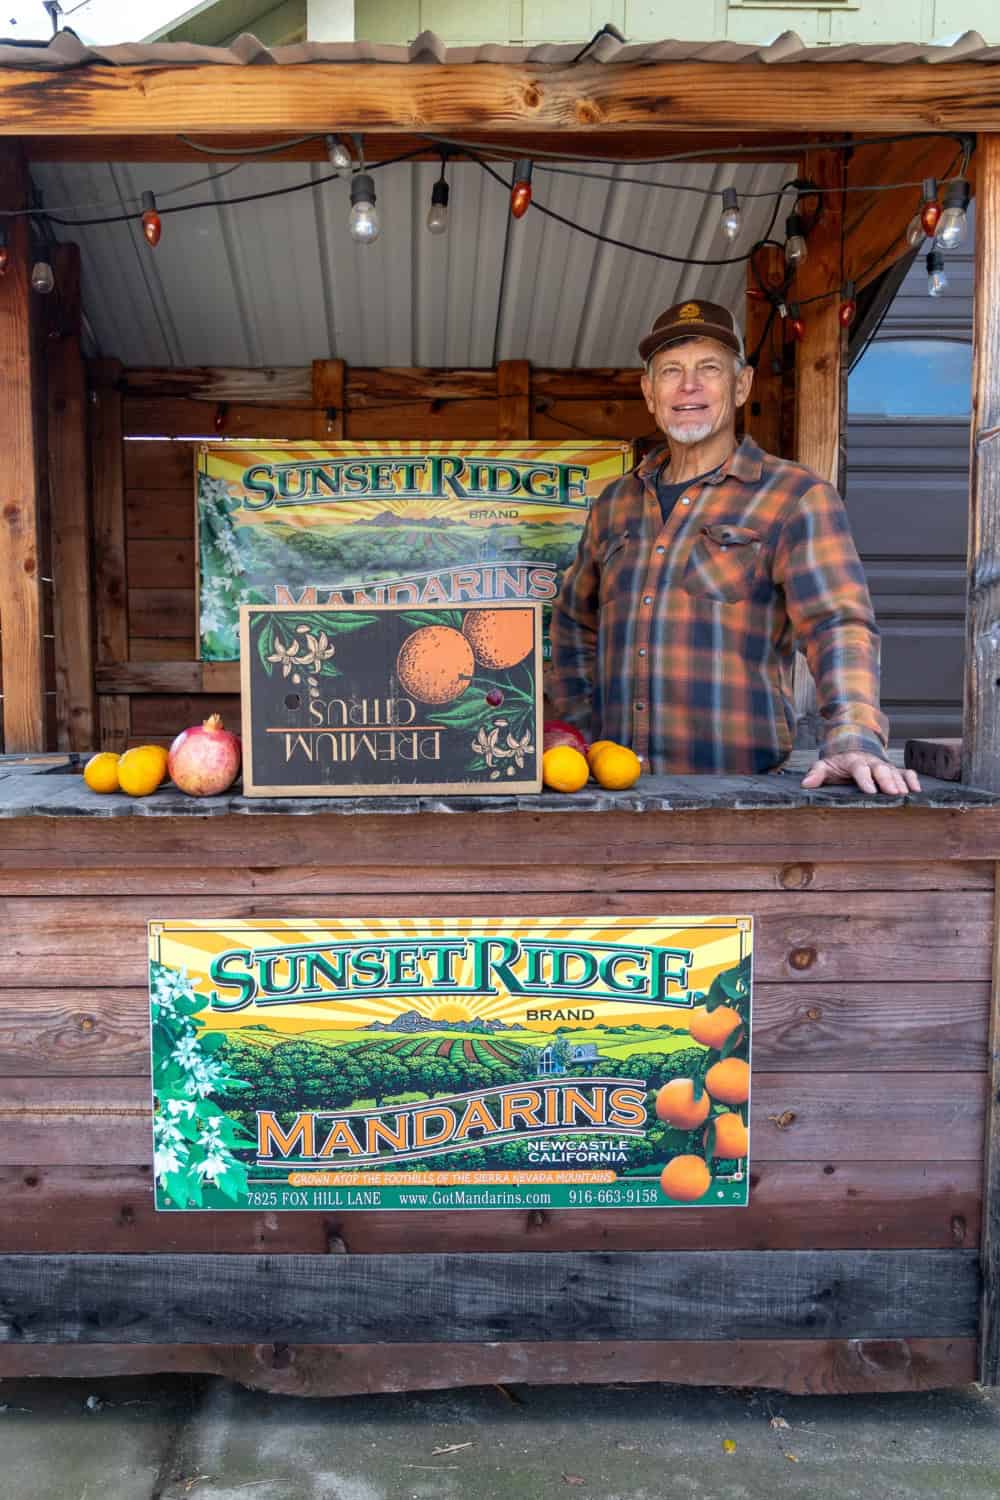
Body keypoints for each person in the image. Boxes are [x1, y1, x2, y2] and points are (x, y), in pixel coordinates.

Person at [548, 298, 920, 796]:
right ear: (649, 393)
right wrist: (580, 732)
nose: (688, 387)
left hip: (738, 795)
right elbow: (574, 623)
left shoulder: (794, 497)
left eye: (709, 369)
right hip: (614, 792)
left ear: (741, 385)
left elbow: (838, 626)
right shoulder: (616, 503)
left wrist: (853, 738)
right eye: (671, 372)